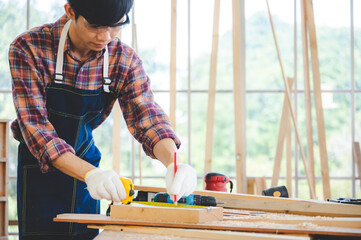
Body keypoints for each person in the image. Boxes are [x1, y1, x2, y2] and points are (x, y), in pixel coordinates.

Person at [8, 0, 197, 239]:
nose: (105, 36)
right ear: (70, 12)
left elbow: (148, 118)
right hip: (40, 173)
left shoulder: (123, 60)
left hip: (89, 172)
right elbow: (35, 128)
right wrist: (90, 174)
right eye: (95, 26)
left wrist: (174, 163)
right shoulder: (29, 48)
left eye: (115, 26)